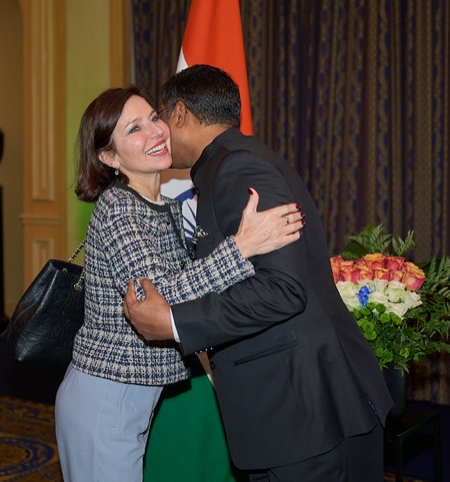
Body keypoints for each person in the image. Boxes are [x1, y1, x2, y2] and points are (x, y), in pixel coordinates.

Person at [124, 65, 394, 482]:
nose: (158, 131)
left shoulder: (237, 167)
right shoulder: (231, 163)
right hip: (298, 415)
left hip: (304, 416)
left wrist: (174, 322)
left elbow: (282, 288)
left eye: (159, 117)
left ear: (180, 113)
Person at [54, 86, 304, 482]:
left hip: (133, 399)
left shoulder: (167, 208)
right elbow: (158, 299)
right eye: (134, 128)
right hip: (105, 397)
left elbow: (196, 289)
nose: (156, 131)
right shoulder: (117, 207)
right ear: (109, 157)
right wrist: (241, 247)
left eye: (154, 117)